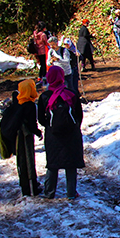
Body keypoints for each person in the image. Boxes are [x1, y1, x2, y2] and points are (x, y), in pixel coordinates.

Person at [38, 66, 84, 199]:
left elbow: (41, 118)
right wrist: (74, 127)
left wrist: (50, 127)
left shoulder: (45, 96)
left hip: (53, 135)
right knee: (71, 164)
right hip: (71, 134)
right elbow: (79, 115)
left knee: (53, 164)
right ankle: (71, 193)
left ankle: (49, 192)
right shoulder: (72, 94)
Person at [2, 79, 43, 196]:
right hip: (25, 137)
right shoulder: (29, 105)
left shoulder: (18, 102)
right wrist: (38, 132)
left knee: (21, 161)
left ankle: (25, 186)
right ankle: (32, 188)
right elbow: (31, 124)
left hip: (17, 136)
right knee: (28, 160)